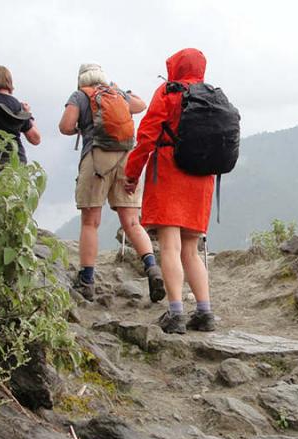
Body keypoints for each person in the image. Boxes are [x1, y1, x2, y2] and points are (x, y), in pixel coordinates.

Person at [124, 48, 216, 334]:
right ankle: (204, 312)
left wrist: (131, 174)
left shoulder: (168, 92)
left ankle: (176, 313)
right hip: (202, 178)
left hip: (169, 171)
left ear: (175, 67)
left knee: (170, 246)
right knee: (191, 249)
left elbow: (148, 135)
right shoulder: (210, 96)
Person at [59, 63, 163, 303]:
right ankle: (152, 268)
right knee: (132, 222)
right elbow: (140, 105)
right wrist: (119, 90)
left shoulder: (80, 95)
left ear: (81, 79)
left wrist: (81, 127)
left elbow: (65, 126)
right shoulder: (115, 93)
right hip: (127, 159)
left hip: (96, 159)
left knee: (90, 221)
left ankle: (86, 280)